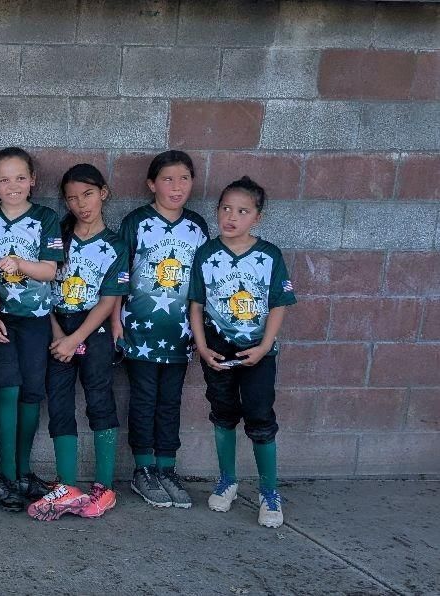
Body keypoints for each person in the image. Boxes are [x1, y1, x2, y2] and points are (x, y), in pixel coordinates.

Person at [188, 176, 296, 528]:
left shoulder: (269, 256)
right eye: (226, 209)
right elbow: (197, 302)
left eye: (242, 211)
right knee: (222, 413)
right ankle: (228, 480)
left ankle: (269, 492)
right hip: (217, 347)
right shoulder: (206, 253)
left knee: (260, 417)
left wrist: (265, 346)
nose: (231, 217)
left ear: (257, 218)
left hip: (257, 350)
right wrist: (202, 346)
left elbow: (279, 303)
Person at [26, 164, 128, 521]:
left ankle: (104, 487)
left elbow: (108, 299)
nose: (80, 204)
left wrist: (76, 338)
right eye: (71, 197)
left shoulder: (116, 244)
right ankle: (67, 485)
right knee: (59, 403)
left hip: (92, 330)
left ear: (104, 192)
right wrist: (58, 335)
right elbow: (43, 288)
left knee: (100, 400)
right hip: (57, 329)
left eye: (87, 194)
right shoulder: (60, 238)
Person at [117, 150, 209, 509]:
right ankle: (143, 471)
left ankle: (167, 469)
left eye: (184, 178)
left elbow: (201, 285)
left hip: (179, 333)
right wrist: (115, 324)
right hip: (139, 331)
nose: (176, 186)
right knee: (143, 399)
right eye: (167, 179)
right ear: (151, 184)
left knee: (170, 401)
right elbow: (120, 276)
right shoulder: (137, 221)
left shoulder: (197, 226)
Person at [0, 147, 64, 513]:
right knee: (7, 391)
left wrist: (20, 264)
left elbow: (51, 270)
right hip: (0, 319)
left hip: (35, 320)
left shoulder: (45, 217)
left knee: (31, 393)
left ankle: (25, 471)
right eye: (4, 179)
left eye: (20, 178)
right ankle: (8, 474)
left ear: (32, 180)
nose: (13, 185)